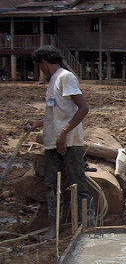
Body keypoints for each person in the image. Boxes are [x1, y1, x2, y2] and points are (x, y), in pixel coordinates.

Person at [27, 45, 94, 240]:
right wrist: (38, 123)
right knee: (52, 185)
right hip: (52, 141)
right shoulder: (52, 82)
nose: (39, 69)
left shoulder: (66, 77)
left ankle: (88, 227)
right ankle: (53, 229)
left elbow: (83, 108)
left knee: (79, 182)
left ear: (44, 62)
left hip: (69, 141)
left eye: (39, 66)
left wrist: (64, 132)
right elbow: (55, 112)